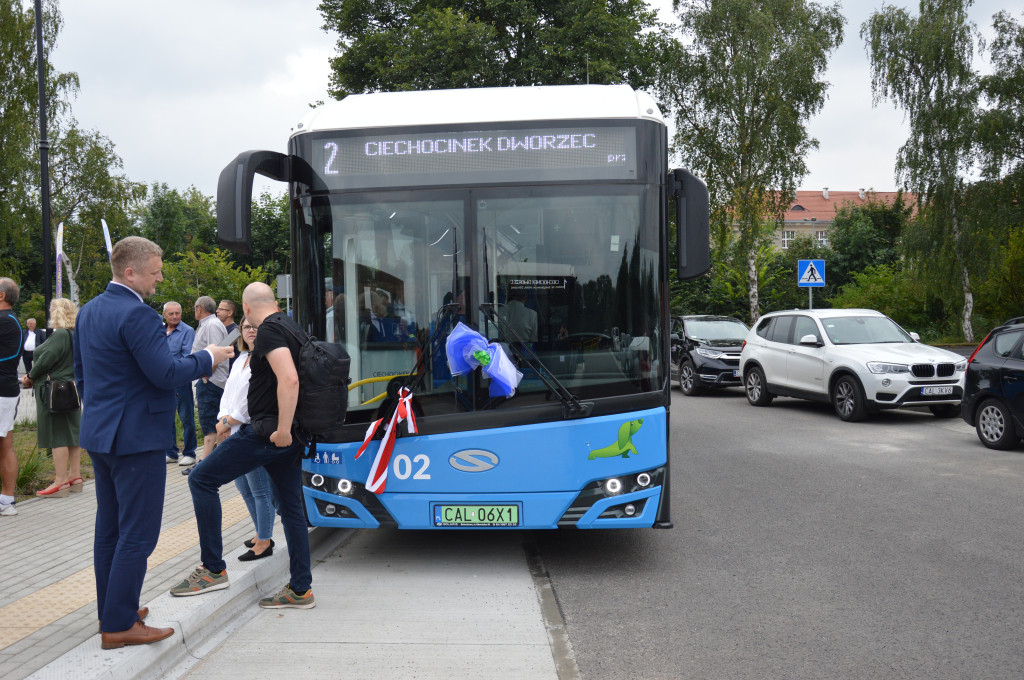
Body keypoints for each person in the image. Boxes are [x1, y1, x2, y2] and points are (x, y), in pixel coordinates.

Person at [75, 236, 233, 649]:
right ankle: (120, 624)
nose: (159, 279)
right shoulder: (139, 316)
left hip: (101, 434)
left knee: (109, 528)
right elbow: (165, 373)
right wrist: (210, 356)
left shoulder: (89, 311)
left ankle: (111, 609)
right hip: (138, 438)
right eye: (154, 272)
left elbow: (82, 375)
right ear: (130, 272)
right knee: (139, 533)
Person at [171, 281, 314, 610]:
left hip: (268, 433)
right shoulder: (293, 327)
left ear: (245, 309)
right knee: (291, 510)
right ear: (274, 302)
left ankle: (212, 569)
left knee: (201, 479)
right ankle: (301, 589)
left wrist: (281, 430)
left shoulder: (269, 331)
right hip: (291, 433)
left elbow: (289, 379)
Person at [216, 316, 277, 561]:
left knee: (259, 489)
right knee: (243, 487)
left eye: (256, 327)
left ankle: (265, 540)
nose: (251, 331)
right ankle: (260, 532)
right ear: (240, 331)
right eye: (247, 327)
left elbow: (254, 400)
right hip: (231, 430)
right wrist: (222, 419)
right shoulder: (241, 358)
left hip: (251, 430)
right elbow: (228, 394)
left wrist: (229, 421)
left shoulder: (266, 360)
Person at [22, 298, 82, 497]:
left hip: (54, 390)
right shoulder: (74, 334)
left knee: (58, 435)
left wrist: (30, 376)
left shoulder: (61, 335)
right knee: (72, 434)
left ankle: (60, 481)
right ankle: (75, 476)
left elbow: (47, 359)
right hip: (70, 388)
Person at [190, 296, 229, 469]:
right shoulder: (209, 324)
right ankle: (215, 462)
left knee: (209, 423)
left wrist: (206, 375)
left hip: (211, 381)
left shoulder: (211, 325)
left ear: (199, 308)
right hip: (210, 380)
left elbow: (216, 352)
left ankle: (204, 464)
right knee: (213, 422)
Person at [162, 301, 197, 465]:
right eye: (171, 314)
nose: (175, 316)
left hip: (180, 379)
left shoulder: (187, 331)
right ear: (164, 315)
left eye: (177, 313)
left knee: (186, 416)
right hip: (163, 380)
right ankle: (171, 452)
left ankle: (189, 452)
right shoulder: (161, 331)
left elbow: (186, 355)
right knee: (167, 416)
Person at [0, 278, 23, 517]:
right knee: (4, 444)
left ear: (1, 296)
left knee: (5, 445)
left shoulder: (5, 321)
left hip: (2, 392)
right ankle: (6, 500)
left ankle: (6, 500)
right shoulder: (10, 321)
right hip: (5, 391)